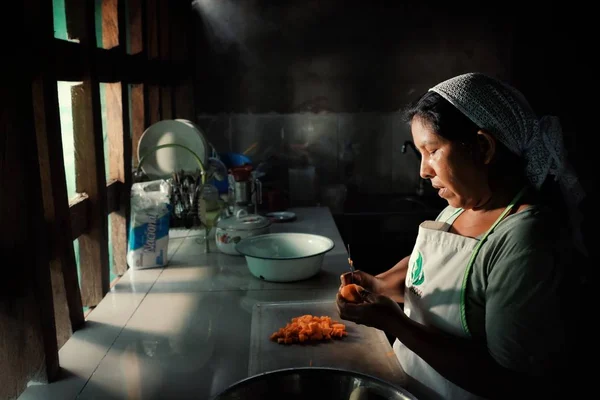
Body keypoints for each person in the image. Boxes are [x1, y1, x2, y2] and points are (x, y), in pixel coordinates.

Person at [336, 72, 589, 400]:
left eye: (432, 151)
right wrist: (378, 284)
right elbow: (428, 271)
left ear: (482, 147)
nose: (423, 170)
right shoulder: (458, 208)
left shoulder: (525, 238)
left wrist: (395, 323)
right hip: (407, 385)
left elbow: (510, 381)